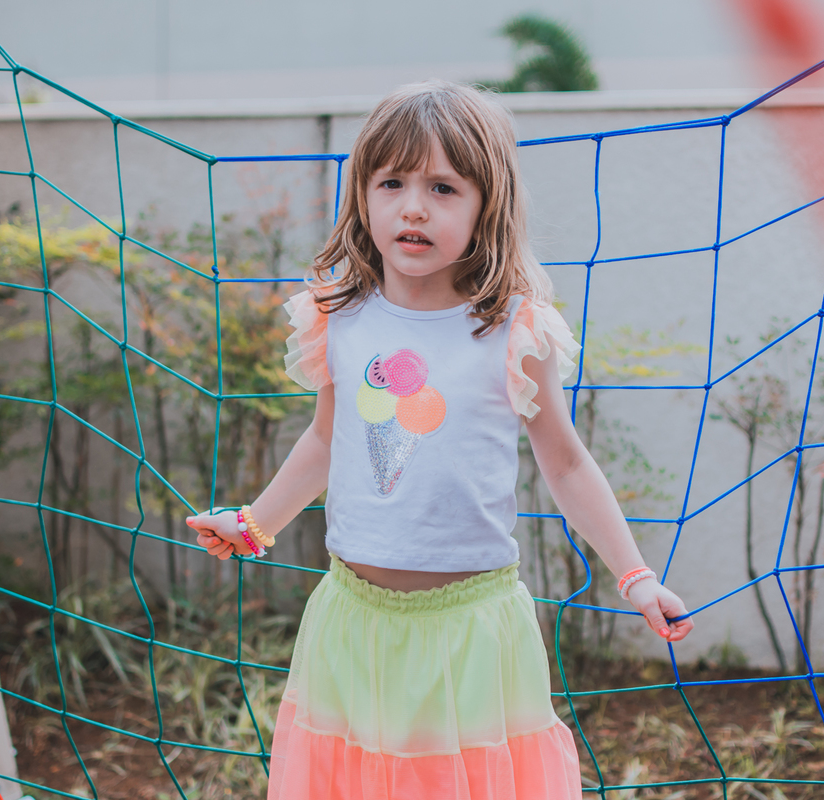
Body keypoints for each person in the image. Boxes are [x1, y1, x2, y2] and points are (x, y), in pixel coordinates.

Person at [185, 79, 694, 800]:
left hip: (472, 632)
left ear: (487, 205)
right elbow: (325, 442)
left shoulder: (513, 331)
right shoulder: (340, 318)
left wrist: (636, 577)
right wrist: (254, 523)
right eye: (391, 182)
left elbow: (566, 462)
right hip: (351, 622)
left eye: (444, 187)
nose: (414, 207)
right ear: (363, 196)